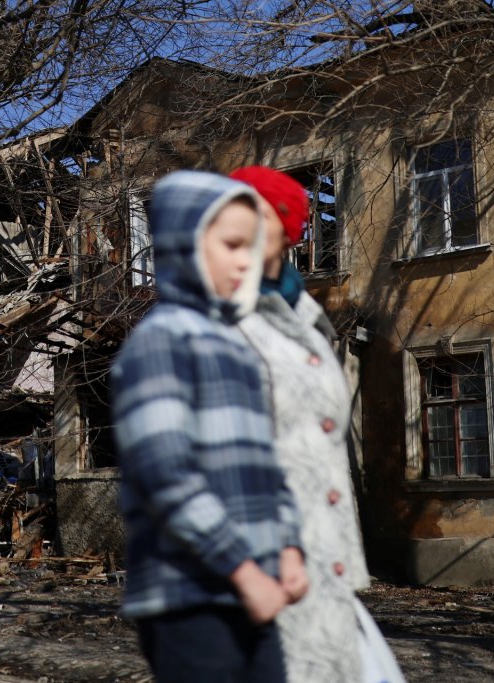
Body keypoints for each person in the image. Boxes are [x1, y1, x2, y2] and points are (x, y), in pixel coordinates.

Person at [111, 170, 308, 683]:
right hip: (190, 596)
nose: (248, 260)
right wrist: (243, 570)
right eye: (232, 245)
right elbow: (165, 476)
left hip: (254, 588)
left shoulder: (239, 348)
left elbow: (270, 467)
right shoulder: (162, 342)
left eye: (254, 245)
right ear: (184, 244)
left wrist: (289, 547)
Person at [231, 165, 405, 683]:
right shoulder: (213, 317)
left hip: (324, 561)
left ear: (287, 229)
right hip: (259, 563)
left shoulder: (307, 319)